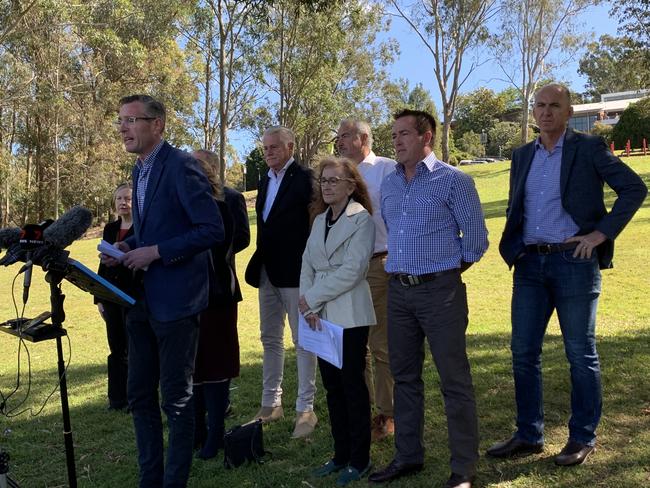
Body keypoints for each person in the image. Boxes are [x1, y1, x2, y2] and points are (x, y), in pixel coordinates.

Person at [488, 83, 648, 466]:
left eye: (554, 106)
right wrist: (515, 249)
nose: (545, 112)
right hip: (529, 265)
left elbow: (633, 188)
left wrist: (600, 234)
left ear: (568, 110)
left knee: (580, 354)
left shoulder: (587, 147)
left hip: (573, 263)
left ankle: (582, 438)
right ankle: (529, 434)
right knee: (522, 353)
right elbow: (518, 207)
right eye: (539, 105)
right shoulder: (522, 154)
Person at [102, 94, 224, 487]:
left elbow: (210, 230)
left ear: (158, 125)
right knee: (139, 395)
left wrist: (154, 252)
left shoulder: (184, 167)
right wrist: (127, 244)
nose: (122, 127)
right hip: (140, 302)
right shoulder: (139, 171)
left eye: (131, 120)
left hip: (177, 301)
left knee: (176, 399)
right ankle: (149, 480)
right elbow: (155, 226)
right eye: (120, 120)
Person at [369, 109, 488, 488]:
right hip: (398, 293)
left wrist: (443, 273)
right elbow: (393, 232)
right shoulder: (389, 184)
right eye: (394, 135)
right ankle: (408, 456)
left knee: (454, 380)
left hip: (441, 293)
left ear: (427, 137)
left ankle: (464, 468)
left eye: (404, 134)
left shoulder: (454, 181)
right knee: (405, 378)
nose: (397, 141)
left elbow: (476, 241)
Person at [300, 156, 376, 486]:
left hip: (349, 312)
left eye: (334, 180)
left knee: (352, 387)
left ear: (351, 185)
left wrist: (312, 298)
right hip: (319, 316)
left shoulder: (362, 220)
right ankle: (340, 453)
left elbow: (353, 270)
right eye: (324, 181)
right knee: (332, 388)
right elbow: (307, 264)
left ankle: (360, 459)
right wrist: (307, 305)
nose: (327, 186)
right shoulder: (318, 220)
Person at [244, 126, 318, 438]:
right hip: (267, 273)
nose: (269, 152)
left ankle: (306, 409)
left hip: (297, 272)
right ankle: (271, 404)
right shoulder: (264, 180)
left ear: (290, 147)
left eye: (274, 147)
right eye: (265, 148)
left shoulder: (306, 178)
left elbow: (314, 223)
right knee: (270, 339)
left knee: (303, 341)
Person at [336, 118, 396, 442]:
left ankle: (386, 415)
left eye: (344, 136)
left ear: (363, 138)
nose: (339, 141)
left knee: (380, 344)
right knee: (354, 346)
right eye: (338, 137)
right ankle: (364, 410)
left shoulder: (387, 169)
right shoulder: (339, 175)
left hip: (377, 264)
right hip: (347, 270)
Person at [191, 149, 249, 460]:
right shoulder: (182, 205)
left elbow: (235, 239)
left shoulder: (224, 204)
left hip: (217, 292)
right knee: (195, 364)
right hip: (186, 295)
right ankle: (197, 431)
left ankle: (215, 433)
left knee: (216, 362)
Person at [96, 182, 134, 411]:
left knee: (134, 348)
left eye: (128, 198)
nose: (123, 202)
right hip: (110, 294)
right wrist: (99, 298)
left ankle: (133, 397)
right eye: (119, 198)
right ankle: (117, 399)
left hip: (132, 294)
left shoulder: (143, 228)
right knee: (116, 347)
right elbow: (104, 263)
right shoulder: (110, 229)